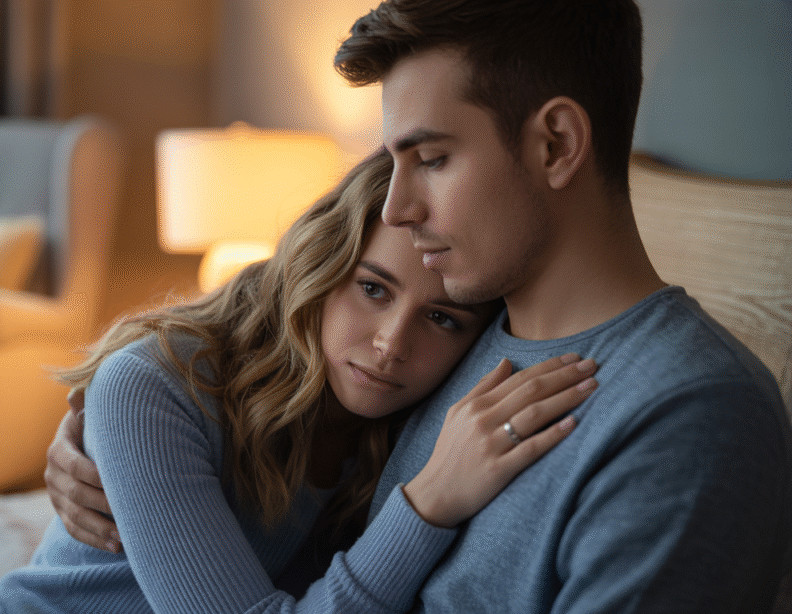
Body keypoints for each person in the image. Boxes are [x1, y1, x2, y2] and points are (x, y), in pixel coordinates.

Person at [48, 0, 792, 611]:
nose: (397, 207)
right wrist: (103, 431)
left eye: (433, 159)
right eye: (397, 161)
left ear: (557, 144)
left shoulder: (692, 415)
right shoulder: (464, 346)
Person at [0, 151, 598, 613]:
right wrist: (429, 503)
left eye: (442, 319)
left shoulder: (420, 419)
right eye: (372, 288)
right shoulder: (156, 383)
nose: (391, 344)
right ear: (321, 267)